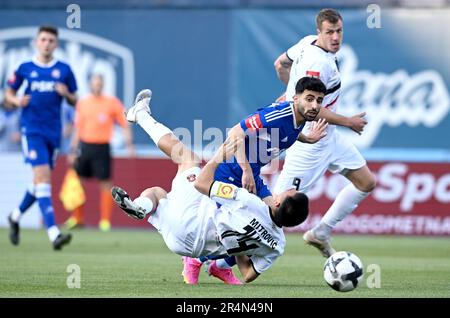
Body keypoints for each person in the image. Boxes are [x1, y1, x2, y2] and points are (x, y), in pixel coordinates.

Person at [111, 89, 310, 284]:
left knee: (188, 159)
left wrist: (219, 156)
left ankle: (141, 115)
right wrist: (240, 249)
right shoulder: (278, 244)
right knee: (158, 193)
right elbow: (248, 274)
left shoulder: (246, 199)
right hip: (185, 248)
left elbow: (201, 183)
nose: (286, 189)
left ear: (277, 201)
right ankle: (217, 264)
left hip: (192, 223)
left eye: (288, 191)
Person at [273, 8, 377, 257]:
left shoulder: (306, 43)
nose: (335, 37)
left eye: (339, 31)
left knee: (366, 182)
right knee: (277, 210)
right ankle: (220, 260)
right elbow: (311, 110)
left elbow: (280, 64)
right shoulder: (318, 63)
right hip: (309, 141)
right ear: (319, 31)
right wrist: (348, 121)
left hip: (328, 137)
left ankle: (321, 232)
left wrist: (290, 94)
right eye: (329, 32)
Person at [5, 25, 77, 250]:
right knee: (44, 179)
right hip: (32, 131)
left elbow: (75, 100)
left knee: (38, 184)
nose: (46, 43)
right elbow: (8, 94)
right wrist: (16, 101)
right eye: (43, 39)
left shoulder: (64, 70)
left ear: (56, 44)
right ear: (37, 42)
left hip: (53, 134)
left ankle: (15, 217)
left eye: (51, 40)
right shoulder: (25, 68)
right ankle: (54, 233)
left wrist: (66, 94)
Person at [65, 74, 135, 232]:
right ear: (90, 85)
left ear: (102, 85)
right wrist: (72, 150)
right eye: (94, 83)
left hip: (102, 147)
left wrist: (129, 144)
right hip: (85, 146)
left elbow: (124, 123)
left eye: (99, 83)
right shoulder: (83, 103)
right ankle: (77, 218)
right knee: (78, 182)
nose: (96, 86)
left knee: (105, 183)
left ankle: (105, 221)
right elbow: (77, 128)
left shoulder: (111, 102)